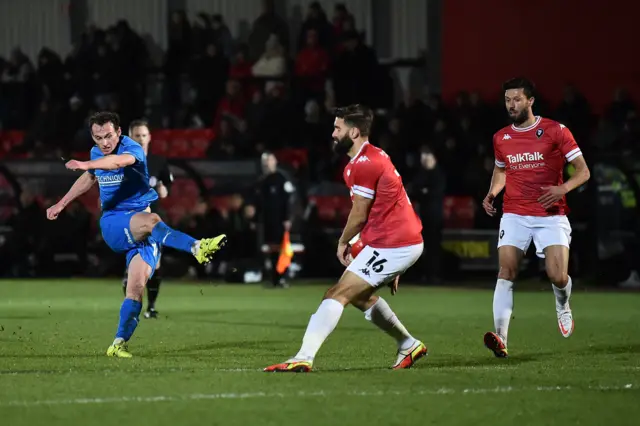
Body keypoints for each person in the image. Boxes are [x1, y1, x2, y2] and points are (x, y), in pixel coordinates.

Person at [46, 112, 227, 358]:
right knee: (153, 221)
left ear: (119, 133)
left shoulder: (133, 150)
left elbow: (116, 163)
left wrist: (87, 164)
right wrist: (61, 204)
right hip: (114, 222)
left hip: (139, 228)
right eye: (98, 138)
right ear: (92, 137)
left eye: (109, 136)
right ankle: (197, 247)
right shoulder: (95, 154)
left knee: (136, 288)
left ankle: (118, 343)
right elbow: (89, 178)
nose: (104, 142)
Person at [264, 104, 426, 373]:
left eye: (337, 128)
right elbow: (384, 208)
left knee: (337, 293)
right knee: (359, 296)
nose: (333, 134)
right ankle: (408, 344)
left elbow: (360, 214)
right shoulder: (368, 158)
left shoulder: (365, 163)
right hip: (393, 242)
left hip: (396, 243)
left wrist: (343, 242)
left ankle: (304, 356)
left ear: (353, 132)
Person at [482, 78, 591, 358]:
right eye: (507, 100)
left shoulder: (555, 131)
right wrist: (492, 193)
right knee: (506, 271)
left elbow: (583, 170)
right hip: (514, 213)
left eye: (517, 99)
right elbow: (502, 170)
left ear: (531, 101)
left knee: (557, 275)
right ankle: (501, 337)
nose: (511, 105)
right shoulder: (501, 137)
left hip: (550, 215)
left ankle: (562, 303)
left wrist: (562, 188)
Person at [121, 120, 172, 319]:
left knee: (155, 264)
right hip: (131, 220)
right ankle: (132, 306)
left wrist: (163, 190)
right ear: (130, 138)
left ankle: (150, 307)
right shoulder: (122, 162)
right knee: (134, 266)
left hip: (153, 221)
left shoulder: (159, 162)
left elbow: (166, 189)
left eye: (144, 135)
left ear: (149, 137)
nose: (141, 139)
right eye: (137, 135)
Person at [257, 152, 295, 288]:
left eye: (270, 160)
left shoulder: (281, 178)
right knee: (271, 250)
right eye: (265, 160)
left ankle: (283, 277)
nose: (267, 163)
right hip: (268, 221)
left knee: (282, 249)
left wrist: (287, 218)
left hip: (280, 221)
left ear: (275, 161)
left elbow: (289, 200)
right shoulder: (263, 180)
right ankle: (273, 278)